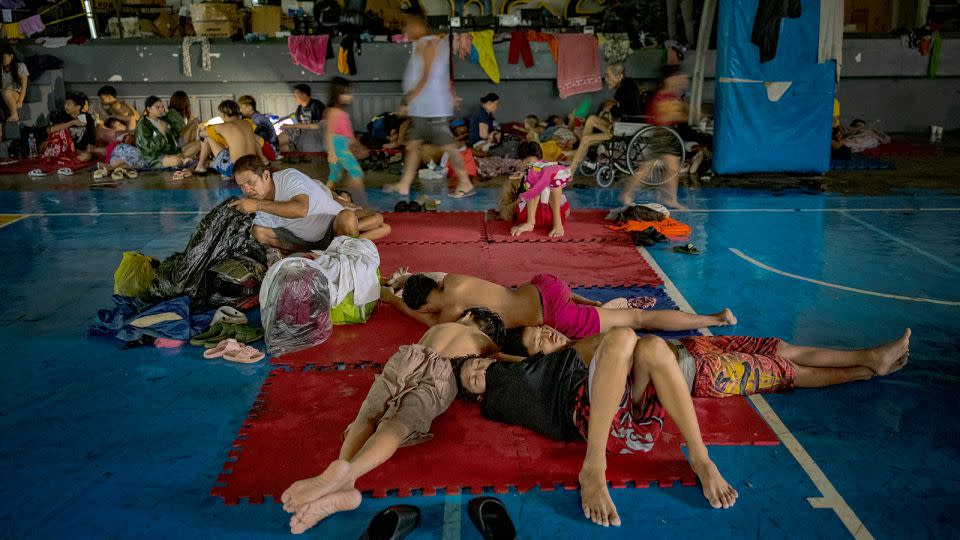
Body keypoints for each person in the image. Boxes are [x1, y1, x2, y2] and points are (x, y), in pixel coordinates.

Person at [453, 328, 739, 527]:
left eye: (478, 364)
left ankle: (701, 459)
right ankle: (593, 466)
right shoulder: (495, 400)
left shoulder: (524, 367)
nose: (480, 371)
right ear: (479, 396)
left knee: (652, 345)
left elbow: (509, 363)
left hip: (633, 424)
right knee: (622, 336)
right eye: (474, 378)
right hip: (591, 419)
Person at [279, 308, 508, 534]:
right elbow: (509, 360)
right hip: (442, 376)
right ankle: (347, 478)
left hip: (410, 356)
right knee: (397, 426)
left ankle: (342, 477)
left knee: (367, 416)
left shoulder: (438, 328)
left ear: (467, 316)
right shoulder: (485, 342)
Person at [503, 324, 911, 397]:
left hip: (691, 349)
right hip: (695, 373)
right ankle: (864, 369)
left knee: (779, 348)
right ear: (537, 360)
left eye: (542, 328)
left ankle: (869, 357)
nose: (548, 333)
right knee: (784, 373)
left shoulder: (577, 342)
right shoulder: (571, 365)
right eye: (540, 340)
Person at [382, 271, 735, 338]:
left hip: (553, 316)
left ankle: (714, 320)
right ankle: (716, 315)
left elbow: (411, 311)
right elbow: (425, 277)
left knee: (639, 321)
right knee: (624, 314)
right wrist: (400, 281)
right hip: (544, 286)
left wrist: (387, 296)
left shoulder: (444, 315)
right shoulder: (452, 280)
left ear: (427, 306)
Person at [382, 5, 474, 198]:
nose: (405, 30)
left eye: (408, 25)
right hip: (423, 109)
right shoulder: (421, 43)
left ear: (419, 24)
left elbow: (426, 77)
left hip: (433, 110)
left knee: (448, 146)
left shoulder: (430, 44)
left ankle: (465, 182)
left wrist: (406, 100)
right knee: (413, 146)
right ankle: (404, 184)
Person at [229, 156, 390, 252]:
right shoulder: (254, 201)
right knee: (258, 231)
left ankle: (336, 252)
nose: (247, 190)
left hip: (333, 226)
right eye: (241, 186)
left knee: (363, 219)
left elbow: (301, 209)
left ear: (265, 175)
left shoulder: (288, 178)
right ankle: (315, 254)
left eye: (250, 182)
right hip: (304, 240)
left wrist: (258, 205)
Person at [621, 65, 688, 208]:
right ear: (668, 80)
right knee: (650, 167)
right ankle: (628, 192)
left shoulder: (671, 96)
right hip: (662, 133)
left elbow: (679, 114)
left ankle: (669, 197)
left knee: (671, 166)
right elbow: (665, 117)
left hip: (668, 132)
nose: (678, 81)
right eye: (675, 78)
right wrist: (681, 112)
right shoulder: (662, 96)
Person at [567, 64, 644, 175]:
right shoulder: (626, 86)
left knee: (586, 139)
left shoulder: (626, 87)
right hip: (620, 125)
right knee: (591, 119)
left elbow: (620, 111)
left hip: (625, 129)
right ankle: (586, 152)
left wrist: (611, 111)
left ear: (619, 76)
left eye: (608, 76)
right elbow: (619, 110)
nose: (606, 79)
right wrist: (611, 111)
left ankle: (570, 174)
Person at [503, 141, 572, 238]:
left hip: (551, 215)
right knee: (537, 180)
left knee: (550, 179)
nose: (532, 167)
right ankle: (535, 223)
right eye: (528, 164)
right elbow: (505, 212)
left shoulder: (547, 168)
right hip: (532, 214)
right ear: (521, 162)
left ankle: (553, 224)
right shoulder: (516, 179)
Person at [194, 99, 266, 178]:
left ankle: (200, 167)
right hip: (252, 167)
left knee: (208, 138)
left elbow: (202, 135)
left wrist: (201, 129)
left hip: (235, 169)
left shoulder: (221, 126)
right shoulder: (248, 123)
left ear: (223, 114)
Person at [324, 77, 366, 205]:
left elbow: (348, 134)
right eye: (345, 93)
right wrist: (331, 152)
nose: (348, 96)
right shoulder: (334, 112)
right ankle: (361, 203)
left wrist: (355, 145)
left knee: (334, 176)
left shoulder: (341, 113)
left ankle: (323, 198)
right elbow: (329, 133)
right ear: (336, 94)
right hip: (339, 148)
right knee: (357, 173)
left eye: (349, 92)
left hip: (341, 147)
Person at [134, 96, 192, 170]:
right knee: (176, 161)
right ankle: (181, 160)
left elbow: (175, 135)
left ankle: (182, 159)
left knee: (198, 144)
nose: (161, 109)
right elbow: (148, 148)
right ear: (149, 109)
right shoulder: (143, 125)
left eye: (162, 107)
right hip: (153, 158)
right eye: (157, 107)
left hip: (169, 153)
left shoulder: (163, 120)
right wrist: (161, 133)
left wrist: (169, 130)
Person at [47, 91, 96, 162]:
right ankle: (67, 159)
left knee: (87, 156)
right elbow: (51, 130)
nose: (65, 106)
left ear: (78, 107)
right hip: (63, 149)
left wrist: (89, 149)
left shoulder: (87, 117)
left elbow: (92, 139)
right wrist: (72, 123)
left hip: (78, 150)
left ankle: (68, 159)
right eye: (65, 103)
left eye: (68, 104)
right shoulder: (62, 116)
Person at [279, 84, 325, 154]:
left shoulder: (317, 105)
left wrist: (290, 126)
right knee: (278, 147)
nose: (295, 98)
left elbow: (319, 126)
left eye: (296, 95)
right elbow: (299, 124)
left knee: (281, 143)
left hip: (311, 137)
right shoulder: (299, 109)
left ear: (304, 95)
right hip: (301, 134)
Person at [165, 90, 201, 156]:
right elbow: (181, 133)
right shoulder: (173, 114)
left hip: (178, 142)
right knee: (201, 141)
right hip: (177, 143)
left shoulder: (175, 114)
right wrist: (193, 124)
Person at [1, 45, 28, 123]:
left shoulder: (20, 66)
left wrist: (20, 101)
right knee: (4, 91)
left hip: (17, 94)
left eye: (4, 57)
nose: (2, 60)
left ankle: (14, 114)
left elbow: (24, 86)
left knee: (6, 92)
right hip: (4, 93)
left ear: (11, 56)